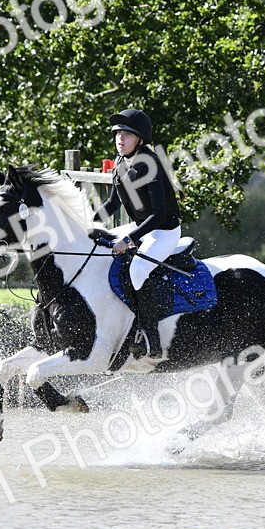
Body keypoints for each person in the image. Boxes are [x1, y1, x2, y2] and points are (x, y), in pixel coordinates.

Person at [93, 108, 183, 359]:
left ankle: (151, 340)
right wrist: (89, 223)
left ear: (140, 139)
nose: (120, 139)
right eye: (117, 134)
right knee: (97, 246)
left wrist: (128, 240)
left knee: (138, 270)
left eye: (127, 134)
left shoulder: (150, 164)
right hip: (140, 227)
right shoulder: (119, 162)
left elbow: (159, 214)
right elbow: (112, 204)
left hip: (164, 231)